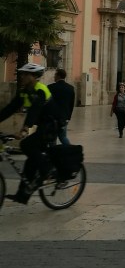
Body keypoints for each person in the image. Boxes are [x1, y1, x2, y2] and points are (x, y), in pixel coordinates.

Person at [0, 62, 63, 204]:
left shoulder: (40, 90)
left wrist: (24, 128)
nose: (22, 77)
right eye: (22, 74)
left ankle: (48, 170)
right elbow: (10, 108)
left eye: (25, 74)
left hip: (52, 124)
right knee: (31, 160)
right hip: (43, 125)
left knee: (26, 145)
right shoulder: (24, 91)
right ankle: (22, 195)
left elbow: (35, 109)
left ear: (33, 77)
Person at [48, 68, 75, 146]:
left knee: (52, 138)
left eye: (55, 75)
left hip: (52, 118)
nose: (54, 77)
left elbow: (47, 103)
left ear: (58, 76)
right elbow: (71, 104)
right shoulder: (70, 88)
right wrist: (68, 117)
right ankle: (70, 150)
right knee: (63, 137)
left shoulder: (50, 87)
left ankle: (53, 152)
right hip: (64, 117)